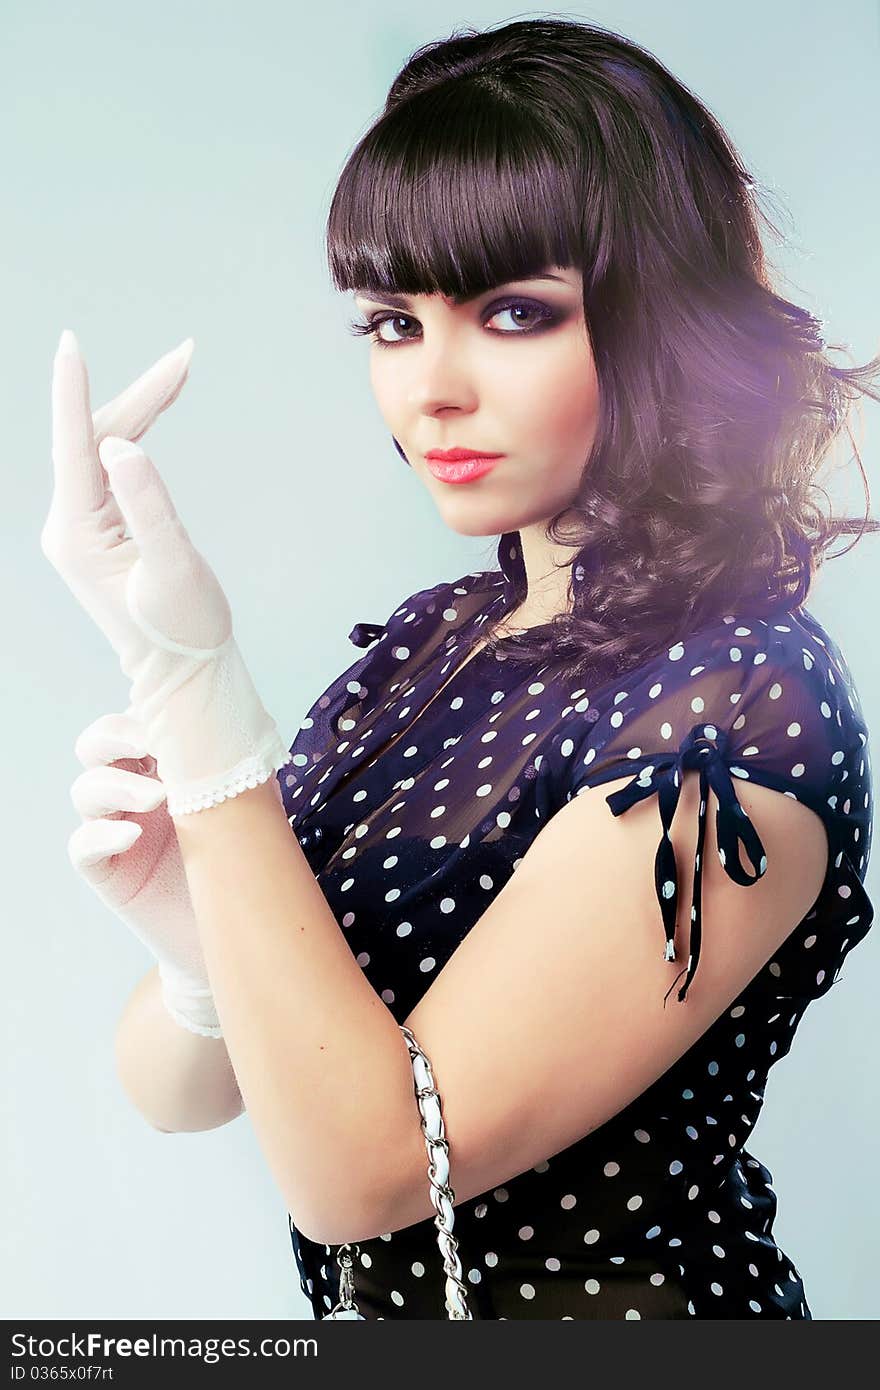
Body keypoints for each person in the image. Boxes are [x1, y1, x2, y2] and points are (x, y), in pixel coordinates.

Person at [64, 18, 879, 1319]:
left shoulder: (736, 700)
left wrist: (206, 710)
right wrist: (199, 936)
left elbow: (363, 1171)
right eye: (392, 321)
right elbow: (183, 1090)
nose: (429, 387)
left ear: (662, 319)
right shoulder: (435, 652)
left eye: (511, 312)